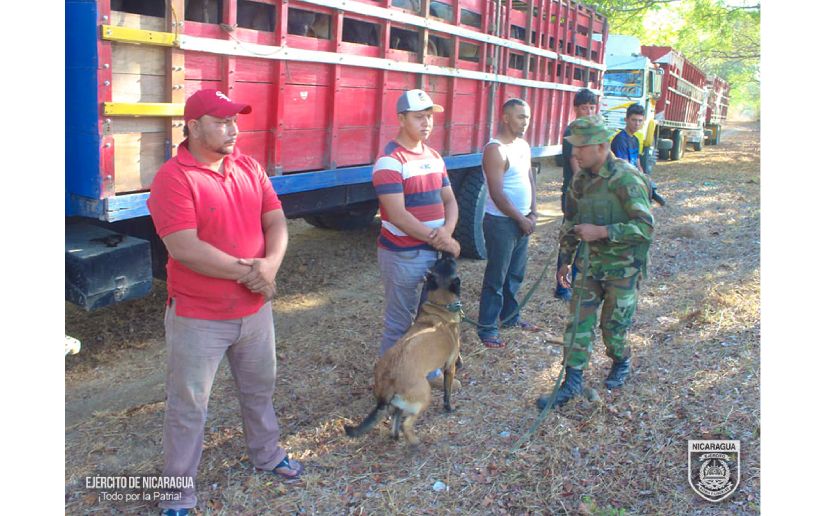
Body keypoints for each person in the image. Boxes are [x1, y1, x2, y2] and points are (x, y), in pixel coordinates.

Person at [147, 89, 301, 516]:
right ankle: (177, 495)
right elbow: (184, 248)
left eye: (235, 120)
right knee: (188, 406)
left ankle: (267, 454)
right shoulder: (174, 178)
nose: (233, 129)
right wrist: (253, 273)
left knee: (259, 390)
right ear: (193, 127)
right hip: (199, 317)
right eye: (221, 121)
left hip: (254, 313)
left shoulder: (248, 166)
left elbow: (275, 219)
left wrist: (270, 264)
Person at [537, 116, 654, 410]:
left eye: (581, 148)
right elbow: (571, 221)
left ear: (602, 146)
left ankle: (621, 360)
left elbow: (646, 228)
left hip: (623, 269)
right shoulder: (580, 180)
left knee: (612, 329)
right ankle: (572, 383)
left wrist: (603, 232)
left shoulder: (627, 179)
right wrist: (564, 259)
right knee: (578, 323)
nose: (575, 153)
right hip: (589, 266)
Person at [372, 89, 462, 390]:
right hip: (404, 255)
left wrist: (447, 232)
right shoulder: (390, 161)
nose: (426, 123)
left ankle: (425, 370)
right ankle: (389, 381)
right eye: (418, 117)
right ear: (401, 119)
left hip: (433, 253)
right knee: (400, 322)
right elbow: (398, 215)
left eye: (429, 116)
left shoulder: (435, 157)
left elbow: (450, 200)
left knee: (430, 317)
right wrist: (441, 241)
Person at [476, 98, 541, 349]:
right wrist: (521, 219)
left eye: (527, 117)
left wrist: (534, 212)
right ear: (505, 117)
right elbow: (497, 194)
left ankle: (511, 317)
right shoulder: (495, 149)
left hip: (523, 220)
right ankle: (487, 327)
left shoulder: (523, 146)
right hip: (502, 223)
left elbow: (529, 180)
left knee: (515, 274)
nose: (525, 122)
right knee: (496, 276)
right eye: (520, 117)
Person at [554, 88, 598, 302]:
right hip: (575, 195)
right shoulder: (574, 131)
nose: (588, 112)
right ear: (576, 109)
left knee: (585, 241)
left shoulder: (592, 131)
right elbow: (576, 167)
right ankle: (562, 288)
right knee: (569, 241)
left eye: (592, 107)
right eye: (584, 108)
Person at [611, 103, 667, 206]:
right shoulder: (620, 139)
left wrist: (643, 176)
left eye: (640, 121)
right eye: (634, 120)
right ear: (626, 120)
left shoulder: (635, 139)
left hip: (633, 175)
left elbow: (637, 162)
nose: (637, 124)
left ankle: (652, 192)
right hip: (622, 178)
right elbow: (624, 166)